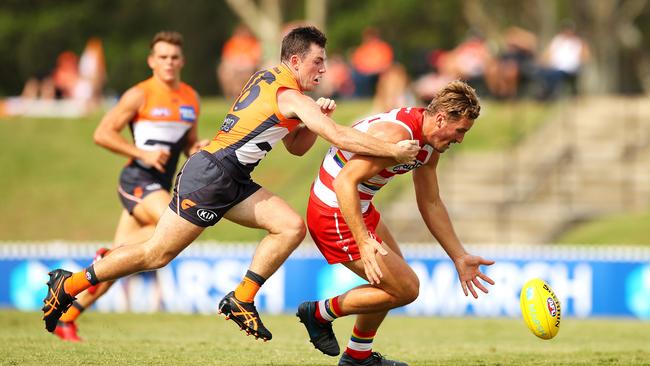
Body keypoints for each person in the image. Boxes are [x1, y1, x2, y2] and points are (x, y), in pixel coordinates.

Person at [41, 26, 421, 341]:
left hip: (232, 176)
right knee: (155, 254)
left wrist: (308, 120)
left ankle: (242, 298)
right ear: (295, 60)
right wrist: (393, 150)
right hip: (211, 174)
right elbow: (339, 136)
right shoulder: (290, 94)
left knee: (289, 226)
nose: (323, 69)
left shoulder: (271, 80)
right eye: (317, 61)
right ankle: (70, 284)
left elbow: (295, 148)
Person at [297, 80, 495, 366]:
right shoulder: (396, 134)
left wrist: (459, 256)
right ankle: (318, 314)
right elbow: (344, 182)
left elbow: (431, 202)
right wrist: (364, 240)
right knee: (406, 288)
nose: (460, 139)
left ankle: (358, 356)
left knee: (394, 282)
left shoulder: (429, 142)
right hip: (334, 210)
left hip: (359, 206)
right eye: (460, 130)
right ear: (441, 118)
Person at [51, 31, 205, 342]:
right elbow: (102, 133)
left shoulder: (191, 97)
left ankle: (66, 318)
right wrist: (142, 153)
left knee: (117, 266)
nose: (169, 63)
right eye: (162, 57)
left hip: (161, 183)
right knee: (173, 224)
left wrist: (197, 148)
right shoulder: (140, 94)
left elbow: (188, 143)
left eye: (174, 57)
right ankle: (108, 254)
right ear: (152, 61)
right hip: (137, 180)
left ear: (182, 61)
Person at [217, 24, 262, 100]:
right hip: (234, 68)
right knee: (225, 72)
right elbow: (227, 59)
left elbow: (256, 59)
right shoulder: (231, 43)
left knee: (244, 74)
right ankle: (230, 96)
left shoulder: (253, 43)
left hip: (248, 68)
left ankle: (240, 95)